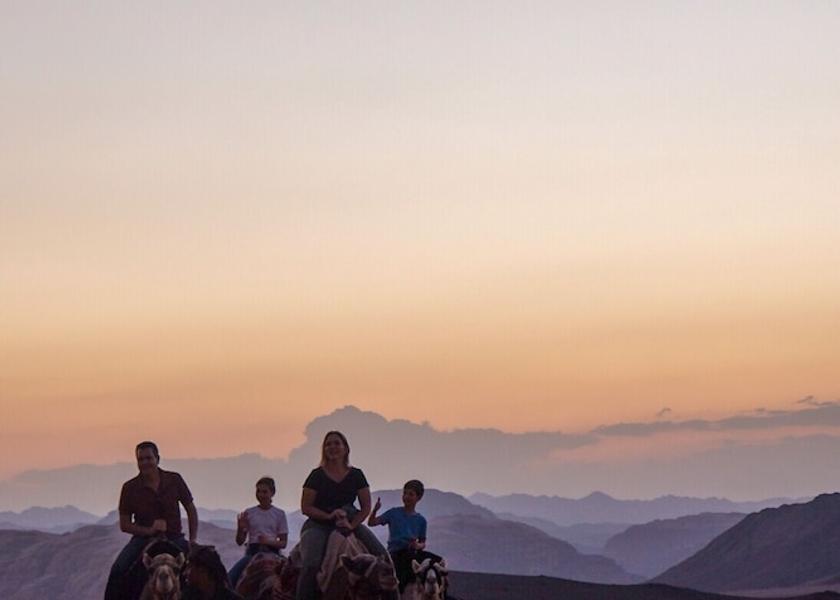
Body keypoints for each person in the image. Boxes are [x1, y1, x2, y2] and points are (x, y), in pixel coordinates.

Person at [296, 430, 396, 600]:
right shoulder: (316, 475)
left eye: (337, 443)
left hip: (350, 521)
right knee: (311, 564)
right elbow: (306, 507)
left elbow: (366, 507)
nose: (332, 447)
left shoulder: (356, 475)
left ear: (345, 448)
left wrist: (352, 525)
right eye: (328, 444)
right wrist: (328, 516)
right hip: (319, 524)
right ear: (323, 449)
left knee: (384, 559)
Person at [104, 441, 199, 600]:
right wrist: (149, 530)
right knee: (119, 570)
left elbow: (191, 509)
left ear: (157, 459)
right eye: (141, 459)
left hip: (175, 537)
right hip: (143, 540)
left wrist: (193, 540)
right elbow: (125, 524)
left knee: (208, 566)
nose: (145, 463)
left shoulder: (174, 480)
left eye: (148, 458)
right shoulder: (130, 488)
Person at [368, 479, 441, 593]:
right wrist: (375, 510)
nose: (406, 497)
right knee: (402, 572)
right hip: (396, 553)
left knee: (437, 562)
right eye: (405, 493)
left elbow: (423, 542)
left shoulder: (421, 520)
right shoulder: (394, 513)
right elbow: (371, 523)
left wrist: (417, 545)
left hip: (413, 552)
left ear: (418, 497)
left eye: (410, 494)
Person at [227, 476, 288, 588]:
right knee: (230, 579)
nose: (261, 495)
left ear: (272, 493)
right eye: (258, 491)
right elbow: (240, 541)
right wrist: (240, 528)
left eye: (264, 492)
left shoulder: (279, 514)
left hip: (273, 552)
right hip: (253, 552)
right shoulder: (250, 513)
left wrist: (268, 541)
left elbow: (283, 543)